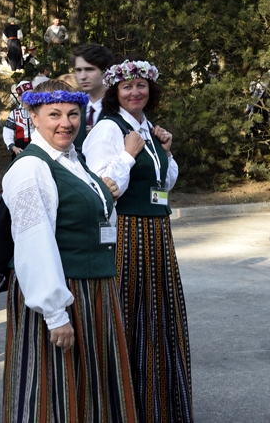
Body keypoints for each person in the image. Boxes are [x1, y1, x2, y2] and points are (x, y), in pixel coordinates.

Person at [1, 80, 137, 422]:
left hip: (94, 289)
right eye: (55, 114)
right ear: (33, 115)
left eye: (74, 114)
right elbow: (35, 243)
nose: (66, 123)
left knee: (91, 387)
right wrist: (56, 314)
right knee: (55, 391)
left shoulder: (75, 162)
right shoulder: (31, 167)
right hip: (63, 291)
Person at [83, 58, 193, 422]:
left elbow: (164, 185)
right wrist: (128, 156)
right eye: (127, 86)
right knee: (131, 314)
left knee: (157, 315)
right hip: (128, 233)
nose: (135, 92)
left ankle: (155, 401)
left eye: (141, 85)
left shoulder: (147, 128)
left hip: (157, 233)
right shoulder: (109, 130)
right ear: (115, 92)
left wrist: (166, 151)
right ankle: (124, 404)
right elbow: (101, 188)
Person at [71, 43, 114, 152]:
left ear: (106, 71)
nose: (82, 76)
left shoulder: (119, 107)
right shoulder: (74, 107)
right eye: (78, 70)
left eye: (89, 69)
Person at [2, 81, 34, 159]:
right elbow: (7, 132)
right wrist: (13, 147)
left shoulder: (37, 111)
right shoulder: (14, 114)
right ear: (19, 97)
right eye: (26, 94)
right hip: (20, 149)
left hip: (36, 146)